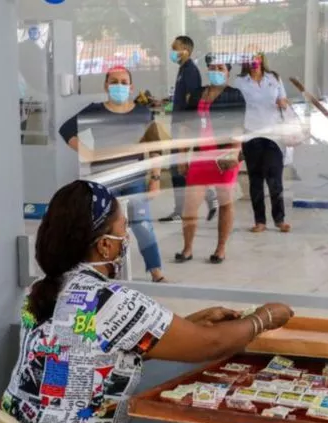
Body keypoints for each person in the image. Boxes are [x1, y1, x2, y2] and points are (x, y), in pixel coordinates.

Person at [0, 179, 294, 423]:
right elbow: (211, 345)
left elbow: (93, 353)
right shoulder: (111, 299)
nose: (127, 237)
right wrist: (263, 318)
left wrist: (189, 324)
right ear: (104, 245)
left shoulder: (41, 292)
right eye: (123, 228)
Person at [59, 66, 166, 283]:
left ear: (131, 87)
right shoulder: (94, 111)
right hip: (105, 179)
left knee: (142, 225)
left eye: (124, 82)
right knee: (102, 228)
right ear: (106, 85)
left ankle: (156, 272)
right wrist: (86, 151)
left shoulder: (142, 114)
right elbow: (66, 130)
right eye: (114, 82)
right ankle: (98, 273)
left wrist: (155, 179)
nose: (119, 86)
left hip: (134, 179)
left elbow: (155, 147)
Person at [175, 54, 246, 265]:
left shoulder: (234, 95)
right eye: (213, 68)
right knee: (190, 205)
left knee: (225, 202)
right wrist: (182, 155)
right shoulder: (197, 94)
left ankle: (220, 248)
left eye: (220, 68)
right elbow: (186, 127)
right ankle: (187, 248)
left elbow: (238, 128)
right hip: (200, 156)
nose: (216, 71)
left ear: (228, 72)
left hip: (224, 156)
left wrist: (234, 153)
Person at [159, 35, 219, 224]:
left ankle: (184, 208)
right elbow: (182, 98)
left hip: (184, 127)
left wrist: (185, 128)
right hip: (179, 125)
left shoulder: (190, 71)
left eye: (175, 48)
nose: (172, 51)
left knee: (178, 168)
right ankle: (207, 197)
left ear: (186, 50)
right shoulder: (183, 70)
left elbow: (192, 101)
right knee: (181, 169)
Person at [234, 51, 292, 233]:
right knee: (256, 180)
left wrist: (283, 103)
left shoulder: (274, 78)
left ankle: (279, 219)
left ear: (261, 59)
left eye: (256, 57)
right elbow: (237, 109)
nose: (253, 61)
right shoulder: (240, 82)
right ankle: (260, 221)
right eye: (249, 58)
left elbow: (284, 101)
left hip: (273, 135)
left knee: (275, 178)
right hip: (251, 134)